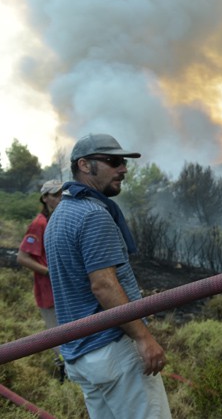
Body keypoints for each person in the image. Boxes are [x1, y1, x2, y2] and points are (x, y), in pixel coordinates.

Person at [44, 133, 171, 419]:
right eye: (113, 161)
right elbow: (103, 285)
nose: (123, 169)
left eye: (123, 162)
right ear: (85, 165)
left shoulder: (60, 215)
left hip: (81, 356)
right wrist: (143, 338)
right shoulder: (93, 214)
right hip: (112, 351)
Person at [17, 179, 65, 378]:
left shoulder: (55, 220)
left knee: (68, 332)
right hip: (48, 291)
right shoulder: (39, 224)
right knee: (58, 336)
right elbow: (22, 257)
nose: (60, 198)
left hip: (60, 291)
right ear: (45, 198)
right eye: (55, 195)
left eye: (62, 194)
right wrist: (49, 272)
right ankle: (64, 372)